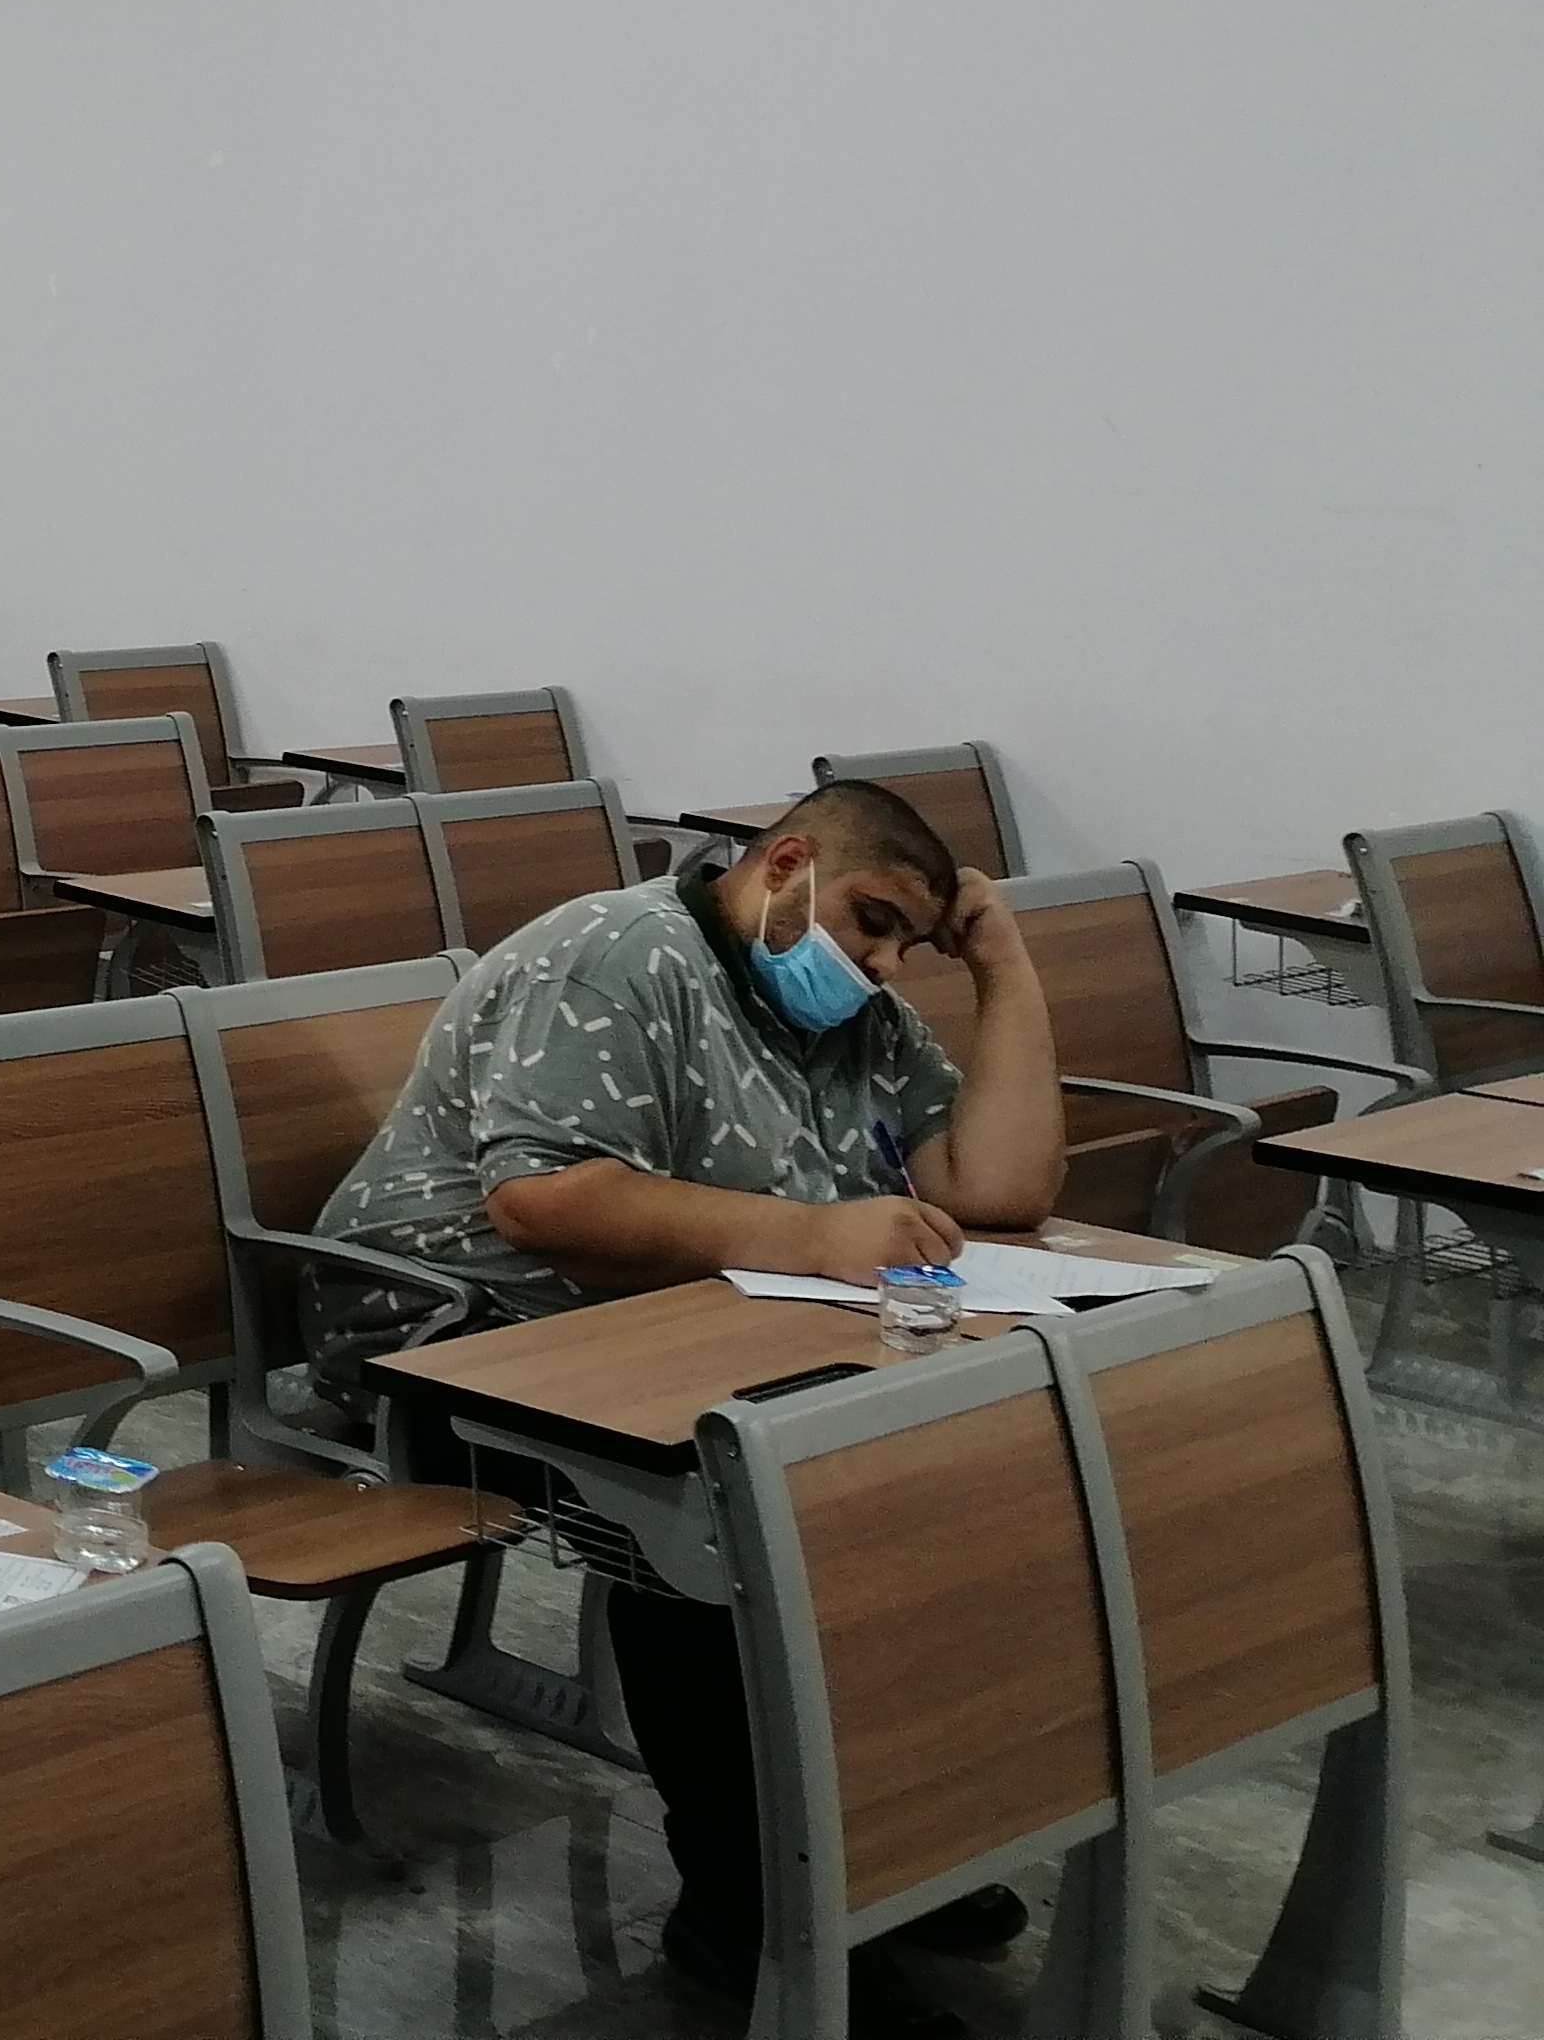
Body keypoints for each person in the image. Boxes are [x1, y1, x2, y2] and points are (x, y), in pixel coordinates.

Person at [313, 779, 1062, 2025]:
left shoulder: (849, 1009)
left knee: (911, 1477)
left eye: (909, 944)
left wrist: (1006, 970)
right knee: (714, 1526)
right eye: (872, 921)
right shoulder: (616, 957)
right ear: (787, 864)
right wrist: (815, 1233)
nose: (883, 964)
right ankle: (749, 1914)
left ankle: (866, 1850)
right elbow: (543, 1202)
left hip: (675, 1333)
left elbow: (1001, 1188)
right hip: (452, 1337)